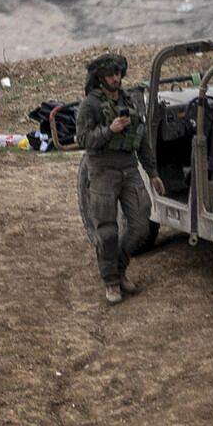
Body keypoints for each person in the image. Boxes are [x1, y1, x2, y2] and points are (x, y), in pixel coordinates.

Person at [76, 53, 153, 305]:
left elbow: (142, 137)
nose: (116, 79)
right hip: (102, 169)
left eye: (118, 74)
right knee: (108, 232)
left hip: (129, 166)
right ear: (101, 77)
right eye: (110, 75)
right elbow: (83, 139)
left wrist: (152, 172)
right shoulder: (90, 105)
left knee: (141, 225)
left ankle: (119, 269)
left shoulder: (129, 99)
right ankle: (111, 281)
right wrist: (109, 130)